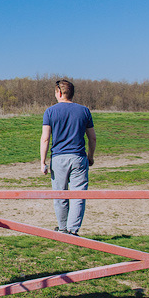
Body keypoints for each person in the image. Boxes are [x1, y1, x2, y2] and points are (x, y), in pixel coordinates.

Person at [40, 78, 96, 237]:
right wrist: (90, 156)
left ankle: (63, 228)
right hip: (78, 157)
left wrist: (42, 162)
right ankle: (72, 230)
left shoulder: (50, 111)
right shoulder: (84, 111)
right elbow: (92, 138)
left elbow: (45, 138)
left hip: (58, 158)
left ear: (59, 92)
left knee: (60, 194)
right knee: (79, 195)